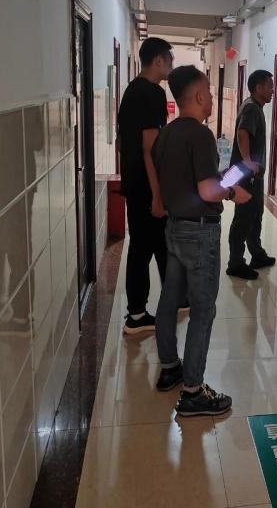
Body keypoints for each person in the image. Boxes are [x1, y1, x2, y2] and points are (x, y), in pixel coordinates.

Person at [152, 65, 251, 416]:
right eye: (208, 93)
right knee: (203, 309)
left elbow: (184, 181)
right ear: (197, 96)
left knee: (169, 300)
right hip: (200, 232)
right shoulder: (200, 134)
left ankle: (170, 368)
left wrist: (226, 178)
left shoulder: (166, 134)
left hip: (175, 228)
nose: (211, 99)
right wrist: (233, 192)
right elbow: (207, 190)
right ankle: (193, 392)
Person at [117, 37, 174, 335]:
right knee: (144, 248)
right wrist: (157, 195)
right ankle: (137, 314)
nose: (171, 65)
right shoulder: (152, 93)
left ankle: (166, 301)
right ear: (158, 60)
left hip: (134, 182)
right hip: (145, 186)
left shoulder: (131, 90)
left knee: (151, 244)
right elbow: (149, 148)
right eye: (169, 60)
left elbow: (121, 142)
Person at [226, 69, 277, 280]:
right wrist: (247, 161)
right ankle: (235, 263)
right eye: (270, 86)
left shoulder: (254, 106)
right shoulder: (251, 108)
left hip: (253, 176)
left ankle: (257, 254)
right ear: (258, 88)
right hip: (247, 176)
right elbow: (242, 133)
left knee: (255, 215)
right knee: (244, 218)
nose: (273, 90)